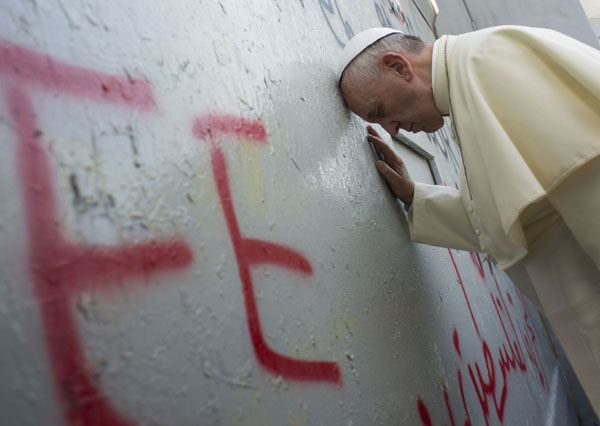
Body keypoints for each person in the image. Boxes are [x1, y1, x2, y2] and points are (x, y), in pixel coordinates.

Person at [337, 26, 600, 414]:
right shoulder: (469, 81)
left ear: (398, 67)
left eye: (381, 113)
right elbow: (506, 216)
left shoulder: (490, 59)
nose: (390, 129)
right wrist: (415, 196)